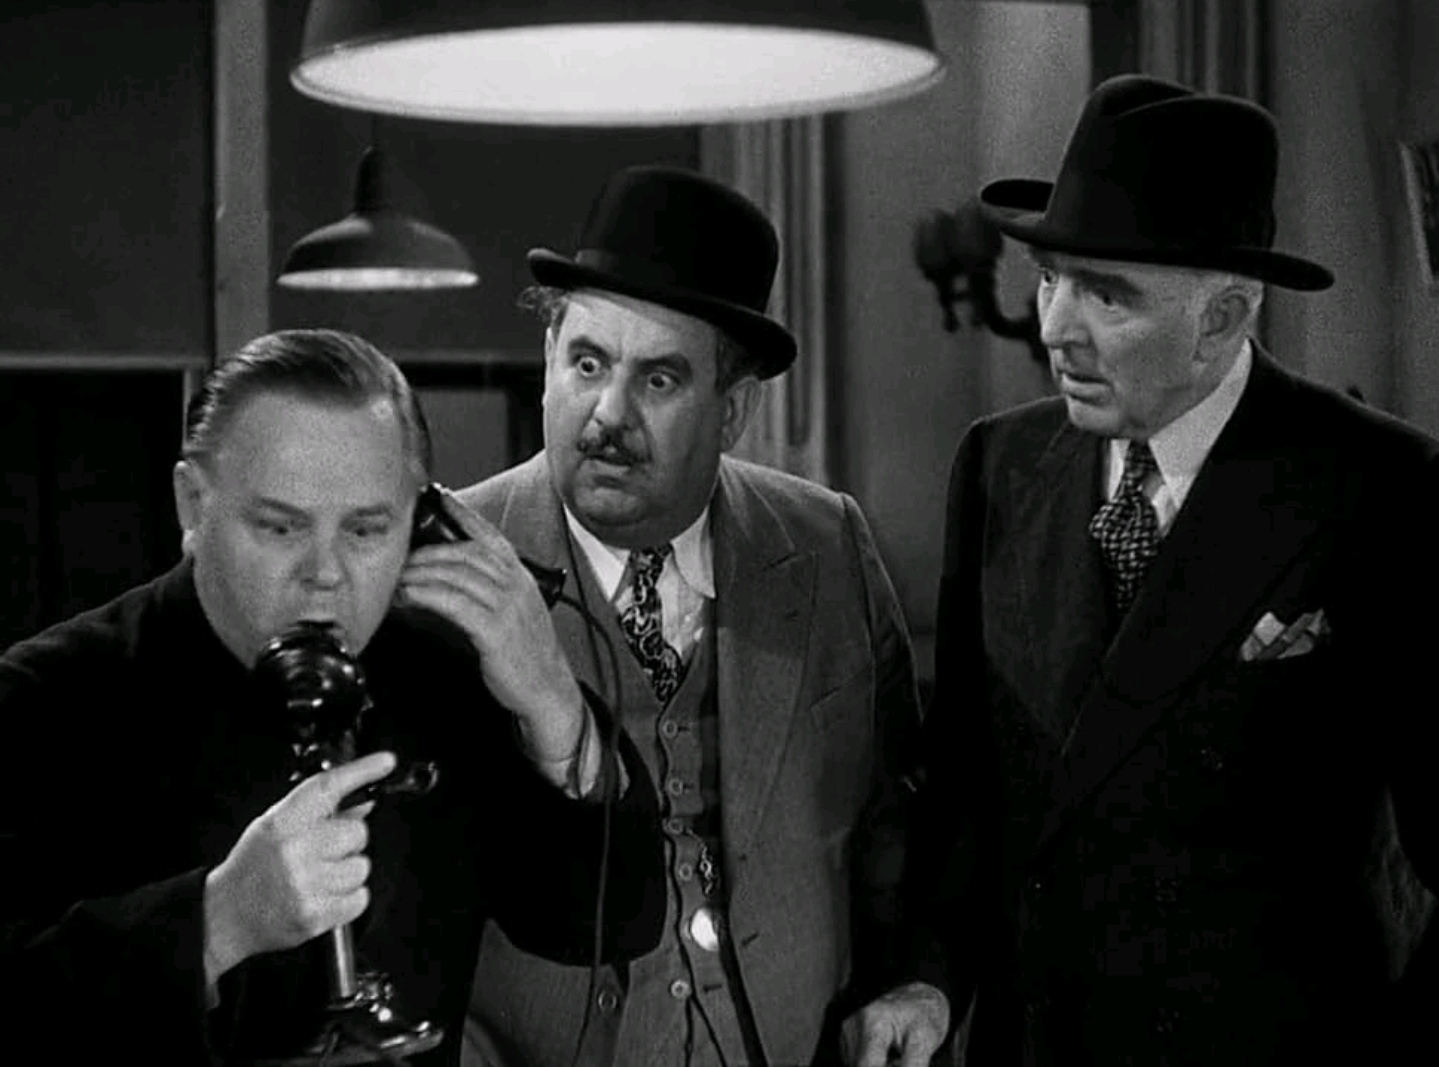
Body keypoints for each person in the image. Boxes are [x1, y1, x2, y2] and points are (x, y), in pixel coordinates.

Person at [842, 73, 1439, 1066]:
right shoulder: (997, 466)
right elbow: (966, 790)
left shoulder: (1375, 485)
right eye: (1048, 277)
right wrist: (929, 977)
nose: (1051, 326)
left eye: (1105, 294)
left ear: (1223, 317)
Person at [0, 329, 664, 1065]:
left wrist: (550, 701)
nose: (325, 572)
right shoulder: (41, 697)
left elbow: (610, 925)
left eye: (366, 530)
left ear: (420, 520)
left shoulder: (446, 676)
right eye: (281, 527)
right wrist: (217, 922)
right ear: (193, 505)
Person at [449, 164, 921, 1067]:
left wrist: (910, 979)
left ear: (732, 410)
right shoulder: (453, 566)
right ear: (547, 360)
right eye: (587, 363)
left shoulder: (826, 545)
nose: (608, 414)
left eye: (659, 380)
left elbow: (899, 821)